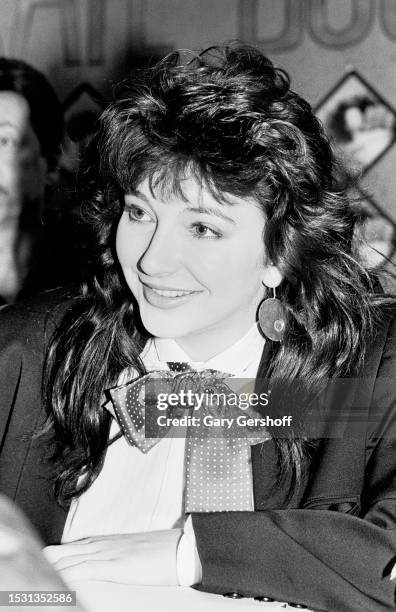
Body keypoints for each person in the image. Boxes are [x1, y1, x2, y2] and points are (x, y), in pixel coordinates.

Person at [0, 44, 395, 612]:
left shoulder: (364, 369)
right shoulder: (30, 352)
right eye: (139, 213)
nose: (153, 261)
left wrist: (188, 552)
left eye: (203, 228)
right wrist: (30, 596)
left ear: (279, 251)